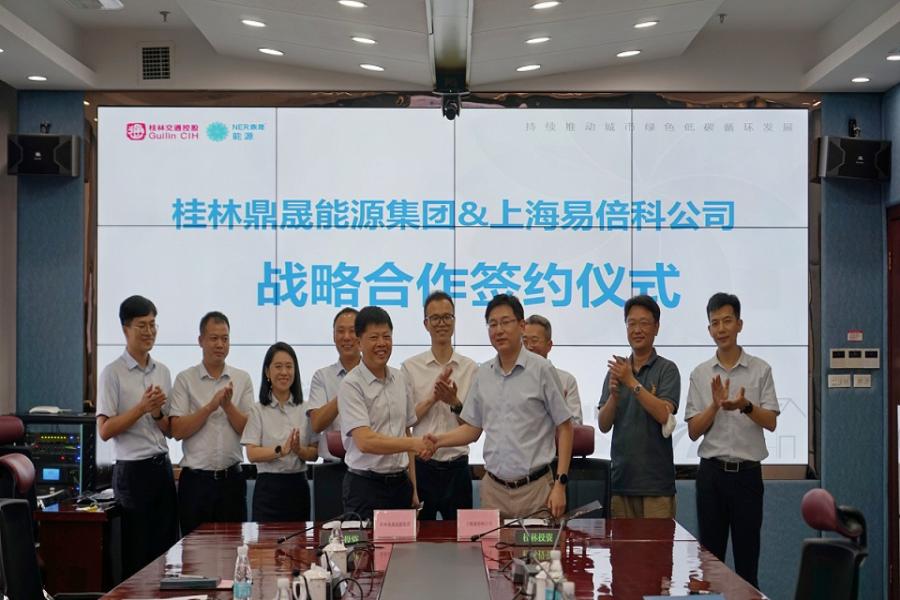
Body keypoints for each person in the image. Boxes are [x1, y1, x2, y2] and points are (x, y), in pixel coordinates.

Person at [427, 294, 574, 520]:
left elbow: (565, 427)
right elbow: (473, 429)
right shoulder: (483, 373)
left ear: (521, 326)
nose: (499, 330)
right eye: (492, 324)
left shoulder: (542, 370)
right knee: (492, 545)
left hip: (535, 490)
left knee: (538, 544)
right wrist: (438, 441)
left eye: (506, 322)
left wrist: (561, 484)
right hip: (493, 491)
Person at [685, 292, 779, 588]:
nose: (721, 328)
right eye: (715, 323)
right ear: (709, 329)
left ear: (739, 324)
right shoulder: (700, 373)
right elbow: (693, 431)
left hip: (747, 477)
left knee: (747, 566)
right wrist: (714, 406)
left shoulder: (760, 369)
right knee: (710, 567)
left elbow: (771, 422)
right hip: (711, 476)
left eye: (727, 321)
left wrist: (745, 406)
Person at [96, 295, 178, 578]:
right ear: (125, 329)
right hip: (132, 473)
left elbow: (168, 429)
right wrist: (141, 408)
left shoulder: (163, 371)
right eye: (142, 325)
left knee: (166, 552)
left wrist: (155, 413)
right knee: (138, 554)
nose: (149, 332)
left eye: (153, 325)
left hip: (162, 469)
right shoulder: (112, 373)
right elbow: (105, 430)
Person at [338, 306, 431, 520]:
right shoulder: (351, 384)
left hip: (400, 486)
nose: (382, 343)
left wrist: (413, 488)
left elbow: (406, 431)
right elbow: (365, 442)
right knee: (363, 543)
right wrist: (413, 444)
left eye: (386, 336)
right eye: (374, 337)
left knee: (405, 543)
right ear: (359, 342)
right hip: (364, 487)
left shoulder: (400, 379)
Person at [169, 311, 253, 535]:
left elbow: (248, 431)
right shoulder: (185, 379)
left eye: (225, 339)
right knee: (194, 550)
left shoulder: (242, 378)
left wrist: (228, 406)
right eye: (214, 338)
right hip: (196, 483)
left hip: (231, 481)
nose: (220, 344)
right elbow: (177, 430)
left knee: (232, 548)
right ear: (200, 340)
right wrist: (210, 407)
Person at [597, 295, 680, 519]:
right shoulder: (617, 370)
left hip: (656, 486)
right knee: (622, 543)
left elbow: (664, 415)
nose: (637, 330)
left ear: (656, 327)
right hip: (621, 482)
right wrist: (614, 397)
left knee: (657, 543)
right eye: (631, 323)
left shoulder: (667, 369)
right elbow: (603, 425)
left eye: (644, 323)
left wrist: (631, 381)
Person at [402, 291, 478, 520]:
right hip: (422, 466)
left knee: (462, 536)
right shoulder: (410, 367)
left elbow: (474, 426)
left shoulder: (471, 368)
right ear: (426, 324)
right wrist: (433, 398)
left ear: (454, 321)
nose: (441, 323)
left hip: (458, 467)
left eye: (447, 317)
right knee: (419, 535)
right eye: (435, 318)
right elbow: (406, 422)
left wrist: (454, 402)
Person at [241, 342, 318, 522]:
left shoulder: (306, 408)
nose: (284, 372)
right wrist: (280, 451)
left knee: (299, 539)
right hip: (267, 489)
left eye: (289, 367)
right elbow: (251, 454)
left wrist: (299, 450)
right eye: (278, 366)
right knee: (266, 540)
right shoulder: (257, 409)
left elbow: (314, 453)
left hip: (298, 486)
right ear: (267, 372)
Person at [306, 308, 360, 461]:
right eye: (341, 331)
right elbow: (316, 424)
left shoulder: (374, 374)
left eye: (352, 331)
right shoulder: (322, 377)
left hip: (368, 464)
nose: (346, 337)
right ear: (334, 336)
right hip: (332, 465)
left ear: (362, 335)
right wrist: (345, 392)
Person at [523, 314, 583, 424]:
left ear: (549, 345)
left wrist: (559, 408)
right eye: (524, 341)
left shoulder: (566, 381)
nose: (529, 347)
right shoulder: (512, 378)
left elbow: (576, 426)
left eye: (534, 341)